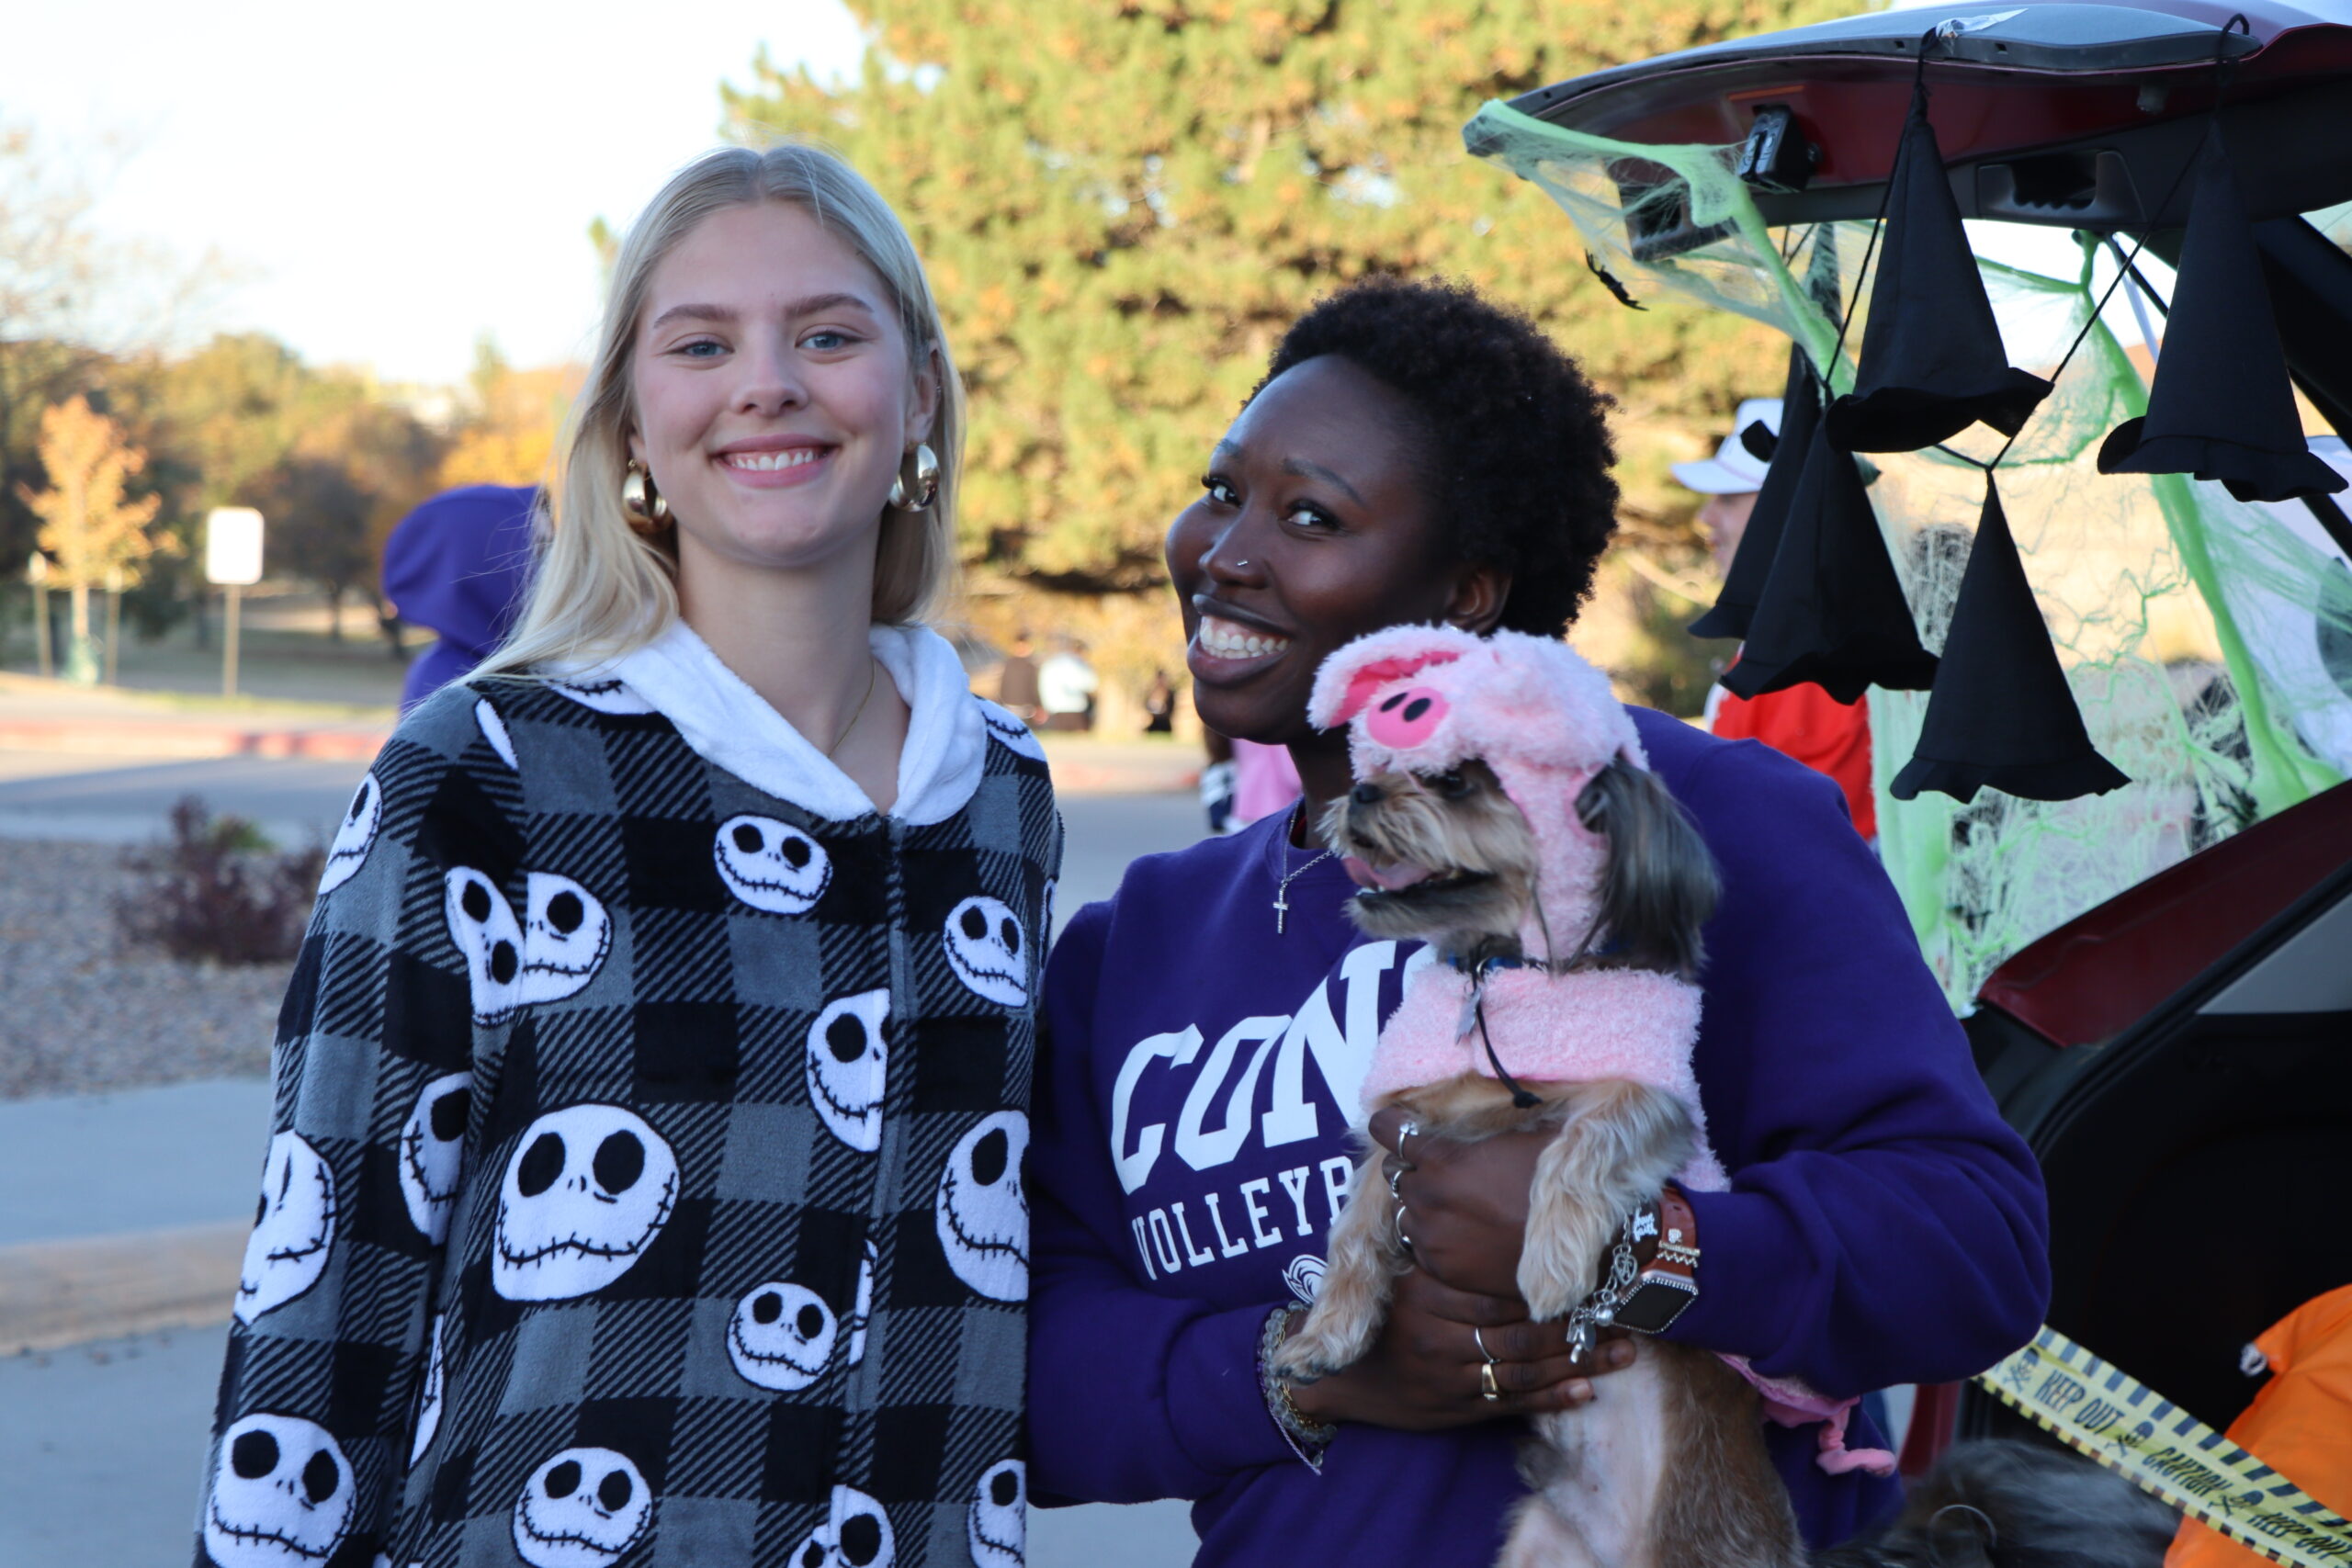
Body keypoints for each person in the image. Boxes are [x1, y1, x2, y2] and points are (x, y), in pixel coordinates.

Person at [1026, 278, 2048, 1565]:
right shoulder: (1138, 945)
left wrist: (1635, 1247)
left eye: (1309, 516)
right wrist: (1312, 1369)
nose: (1225, 553)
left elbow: (1973, 1241)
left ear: (1466, 591)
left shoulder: (1698, 821)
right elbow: (1018, 1369)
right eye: (1223, 491)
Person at [197, 144, 1059, 1568]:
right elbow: (329, 1272)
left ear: (916, 396)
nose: (767, 382)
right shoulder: (486, 768)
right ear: (633, 428)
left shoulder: (1004, 793)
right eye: (702, 343)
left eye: (829, 334)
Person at [1675, 400, 1878, 839]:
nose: (1706, 518)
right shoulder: (1791, 633)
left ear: (1790, 509)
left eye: (1729, 499)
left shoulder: (1818, 649)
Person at [379, 482, 538, 711]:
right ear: (489, 563)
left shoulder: (520, 663)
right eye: (540, 544)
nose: (556, 561)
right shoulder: (452, 683)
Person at [1036, 635, 1098, 730]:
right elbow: (1090, 684)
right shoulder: (1077, 663)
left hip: (1055, 708)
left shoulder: (1050, 663)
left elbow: (1043, 687)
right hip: (1076, 707)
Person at [998, 627, 1043, 725]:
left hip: (1011, 706)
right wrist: (1038, 705)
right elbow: (1033, 688)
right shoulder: (1029, 666)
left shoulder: (1008, 664)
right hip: (1023, 708)